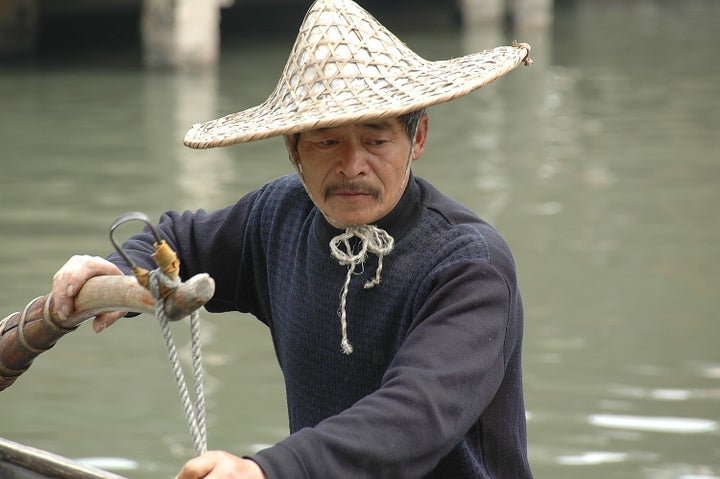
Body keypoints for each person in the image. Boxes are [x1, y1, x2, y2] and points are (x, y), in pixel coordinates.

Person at [52, 0, 534, 477]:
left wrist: (264, 471)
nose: (352, 165)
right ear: (294, 149)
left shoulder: (469, 263)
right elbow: (180, 239)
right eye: (327, 141)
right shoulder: (280, 214)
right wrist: (117, 269)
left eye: (377, 139)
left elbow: (414, 416)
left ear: (418, 139)